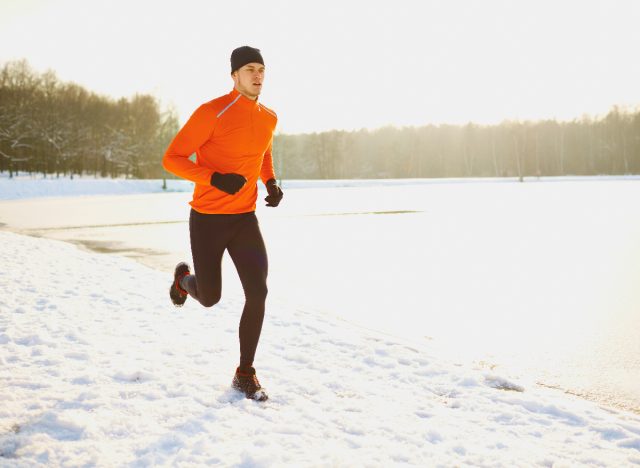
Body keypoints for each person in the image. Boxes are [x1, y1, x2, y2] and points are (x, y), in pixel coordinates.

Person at [162, 46, 283, 402]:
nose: (257, 75)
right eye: (249, 69)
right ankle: (184, 280)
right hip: (208, 219)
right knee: (211, 297)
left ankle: (245, 373)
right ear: (234, 75)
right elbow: (172, 159)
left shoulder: (268, 117)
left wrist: (271, 181)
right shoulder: (212, 112)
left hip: (244, 219)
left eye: (261, 69)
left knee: (258, 291)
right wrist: (214, 178)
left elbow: (263, 152)